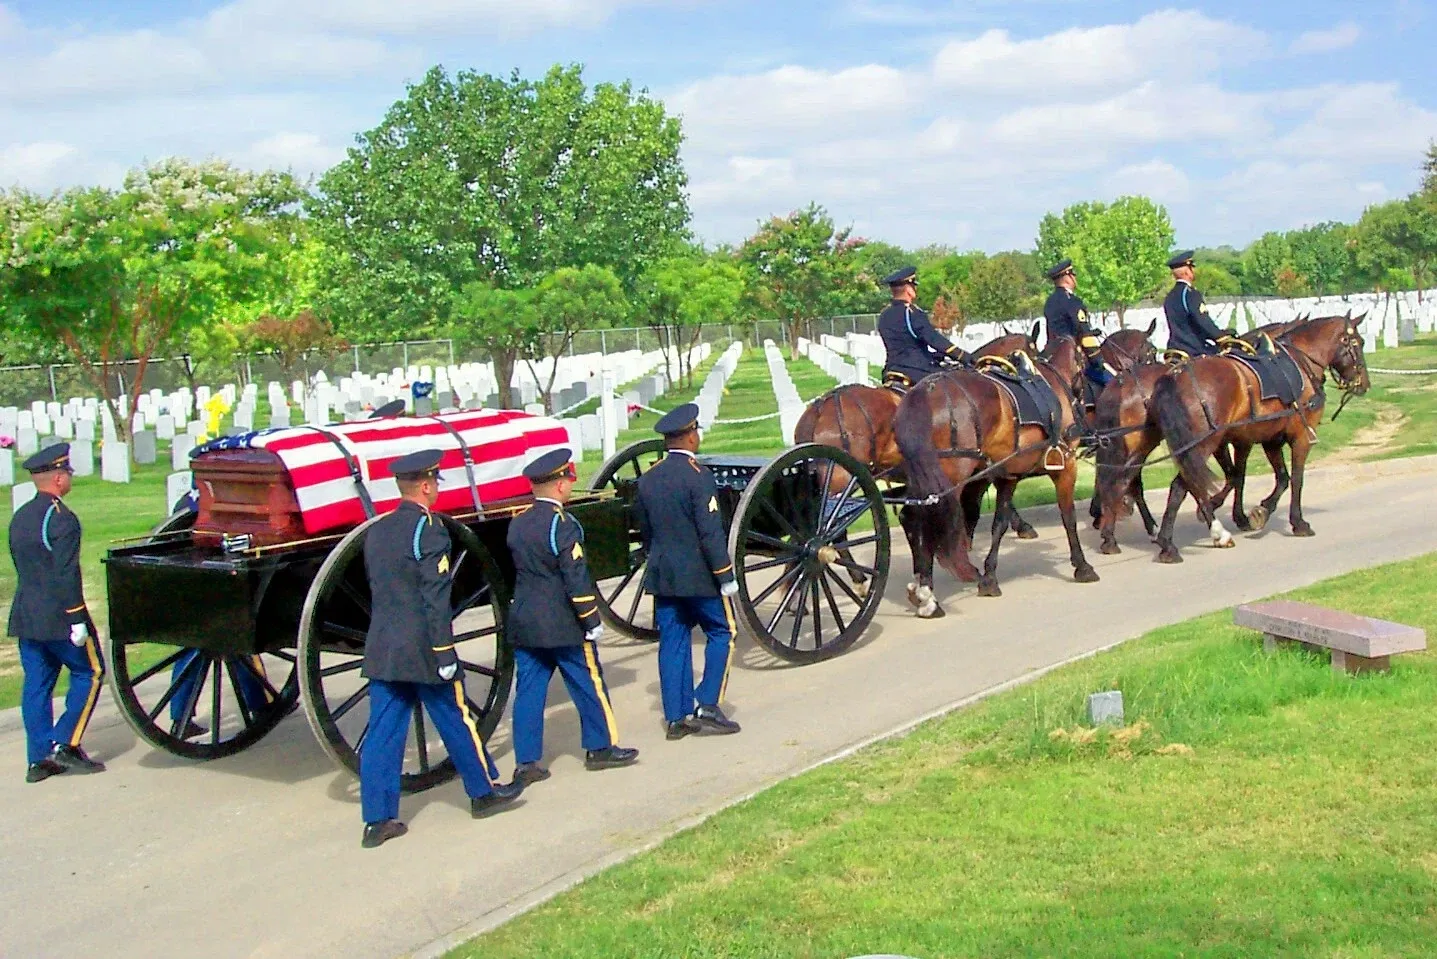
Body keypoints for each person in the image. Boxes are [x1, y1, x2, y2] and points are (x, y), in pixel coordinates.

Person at [358, 448, 522, 848]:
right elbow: (435, 596)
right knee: (456, 718)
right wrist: (444, 651)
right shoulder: (428, 530)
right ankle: (483, 791)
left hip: (383, 645)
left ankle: (377, 821)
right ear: (427, 485)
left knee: (381, 734)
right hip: (424, 648)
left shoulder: (377, 530)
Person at [507, 448, 639, 786]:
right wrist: (591, 619)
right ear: (560, 485)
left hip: (525, 621)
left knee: (529, 694)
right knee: (588, 684)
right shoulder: (563, 525)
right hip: (563, 623)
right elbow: (575, 577)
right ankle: (600, 746)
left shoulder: (518, 523)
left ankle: (526, 762)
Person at [633, 404, 742, 739]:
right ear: (691, 436)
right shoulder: (698, 476)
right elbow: (710, 533)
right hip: (699, 576)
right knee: (723, 632)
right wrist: (725, 575)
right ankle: (707, 702)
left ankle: (676, 716)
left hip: (664, 575)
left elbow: (646, 531)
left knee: (673, 640)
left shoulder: (648, 479)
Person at [7, 444, 106, 783]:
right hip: (59, 617)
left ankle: (38, 760)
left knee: (36, 685)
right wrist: (77, 617)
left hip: (26, 615)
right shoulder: (63, 519)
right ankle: (65, 742)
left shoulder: (20, 516)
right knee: (90, 673)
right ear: (59, 478)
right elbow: (66, 573)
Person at [876, 266, 969, 389]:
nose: (915, 288)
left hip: (891, 371)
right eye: (913, 285)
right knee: (959, 385)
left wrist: (933, 356)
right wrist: (963, 356)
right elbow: (933, 339)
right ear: (908, 289)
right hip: (917, 371)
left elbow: (905, 345)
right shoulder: (912, 312)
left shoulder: (884, 315)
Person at [1043, 258, 1113, 388]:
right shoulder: (1073, 302)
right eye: (1073, 274)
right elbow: (1084, 334)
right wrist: (1097, 359)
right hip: (1072, 357)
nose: (1075, 277)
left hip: (1053, 356)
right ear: (1067, 277)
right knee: (1114, 383)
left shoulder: (1050, 302)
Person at [1163, 251, 1229, 357]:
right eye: (1192, 268)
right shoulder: (1190, 294)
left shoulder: (1169, 297)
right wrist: (1222, 336)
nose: (1194, 270)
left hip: (1174, 349)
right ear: (1187, 272)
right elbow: (1202, 321)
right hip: (1194, 349)